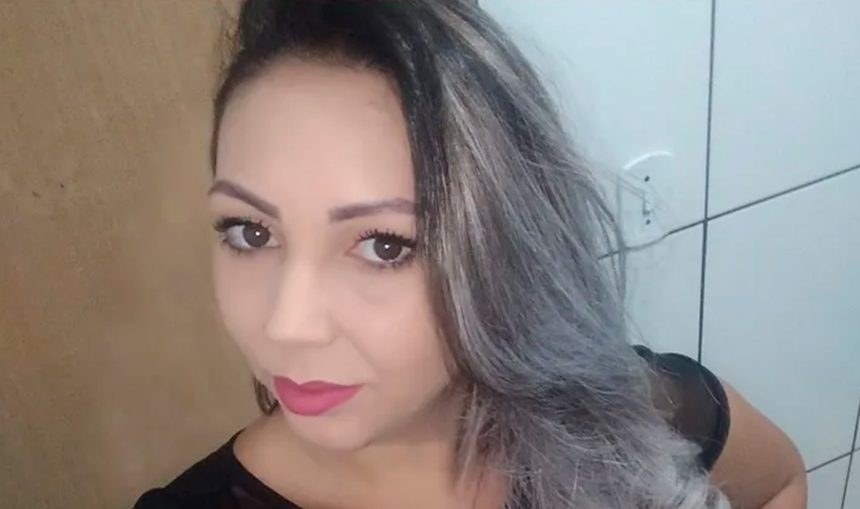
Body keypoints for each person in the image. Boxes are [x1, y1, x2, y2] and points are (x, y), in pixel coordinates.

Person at [134, 1, 807, 507]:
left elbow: (780, 481)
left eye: (383, 245)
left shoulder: (635, 414)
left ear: (502, 248)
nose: (288, 324)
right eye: (250, 233)